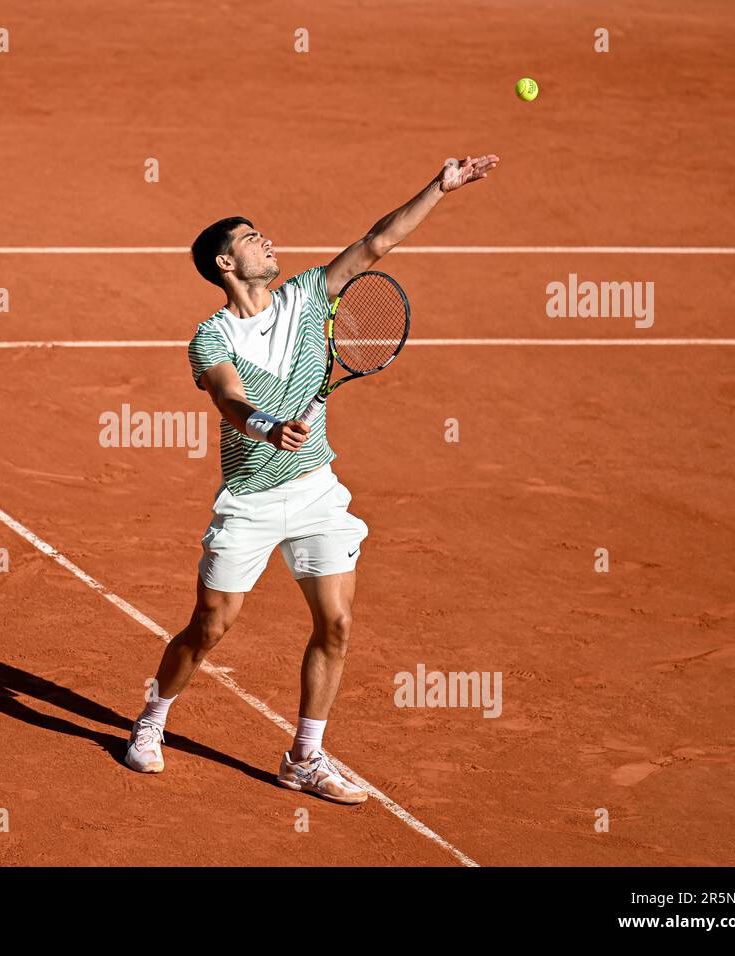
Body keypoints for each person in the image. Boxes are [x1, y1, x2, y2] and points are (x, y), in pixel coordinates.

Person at [125, 155, 500, 803]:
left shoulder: (305, 296)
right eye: (250, 239)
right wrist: (268, 426)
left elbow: (377, 243)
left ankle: (304, 755)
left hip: (316, 490)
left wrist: (440, 187)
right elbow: (228, 401)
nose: (266, 242)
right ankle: (151, 719)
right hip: (250, 500)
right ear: (224, 264)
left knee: (337, 623)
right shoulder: (211, 336)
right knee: (211, 626)